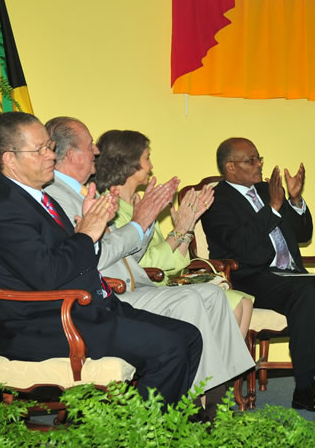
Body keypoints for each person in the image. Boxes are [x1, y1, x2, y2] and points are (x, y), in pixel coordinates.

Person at [0, 112, 202, 406]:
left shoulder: (37, 198)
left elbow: (68, 257)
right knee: (169, 348)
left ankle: (170, 426)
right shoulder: (4, 211)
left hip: (84, 308)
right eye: (40, 150)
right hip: (45, 325)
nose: (50, 156)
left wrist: (90, 230)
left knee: (188, 335)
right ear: (10, 159)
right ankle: (141, 437)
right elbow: (48, 275)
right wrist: (86, 235)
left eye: (50, 146)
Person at [44, 117, 253, 414]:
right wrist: (140, 224)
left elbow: (130, 252)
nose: (96, 152)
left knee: (213, 294)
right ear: (72, 155)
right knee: (193, 298)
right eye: (90, 146)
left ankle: (214, 398)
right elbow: (96, 255)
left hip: (133, 283)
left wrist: (150, 223)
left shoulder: (83, 192)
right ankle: (193, 405)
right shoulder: (58, 197)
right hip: (107, 293)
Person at [201, 137, 315, 411]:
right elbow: (241, 246)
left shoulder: (266, 189)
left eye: (260, 158)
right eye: (251, 160)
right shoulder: (216, 200)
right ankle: (305, 387)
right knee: (304, 293)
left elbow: (303, 235)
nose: (259, 164)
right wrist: (271, 208)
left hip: (288, 273)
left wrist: (294, 200)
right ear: (231, 167)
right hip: (250, 276)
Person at [92, 129, 254, 337]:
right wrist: (178, 231)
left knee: (243, 301)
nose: (151, 166)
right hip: (142, 287)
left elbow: (177, 262)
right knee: (231, 302)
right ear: (130, 162)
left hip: (162, 281)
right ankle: (212, 367)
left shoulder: (138, 203)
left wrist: (187, 227)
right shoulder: (111, 207)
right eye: (147, 158)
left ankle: (227, 369)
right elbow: (141, 263)